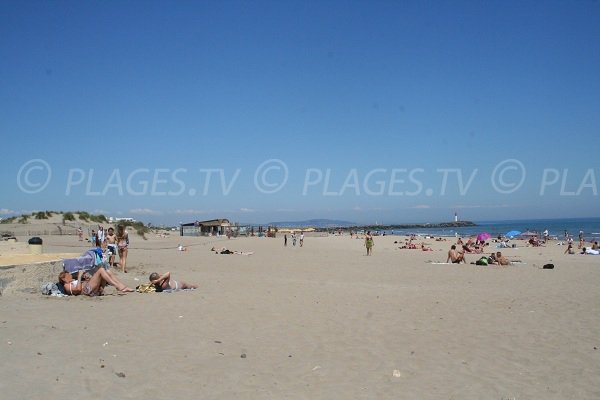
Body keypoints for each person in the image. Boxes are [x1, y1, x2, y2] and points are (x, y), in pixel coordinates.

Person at [58, 269, 133, 296]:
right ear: (64, 279)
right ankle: (117, 286)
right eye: (68, 275)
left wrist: (86, 279)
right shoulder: (66, 286)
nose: (70, 275)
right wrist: (79, 277)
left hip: (90, 288)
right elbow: (78, 290)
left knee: (107, 271)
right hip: (87, 291)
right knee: (101, 270)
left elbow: (80, 284)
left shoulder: (72, 281)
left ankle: (122, 286)